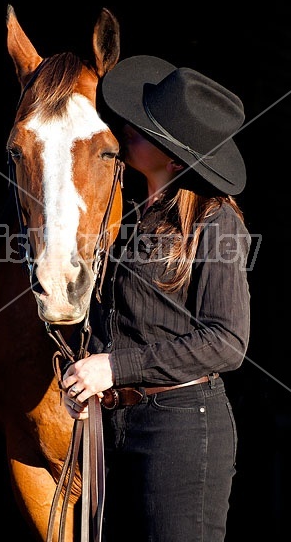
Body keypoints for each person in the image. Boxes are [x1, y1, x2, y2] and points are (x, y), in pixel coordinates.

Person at [61, 55, 251, 541]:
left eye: (142, 131)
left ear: (172, 157)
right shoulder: (122, 219)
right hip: (118, 426)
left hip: (182, 430)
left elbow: (228, 342)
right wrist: (88, 375)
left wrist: (114, 367)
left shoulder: (215, 223)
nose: (126, 130)